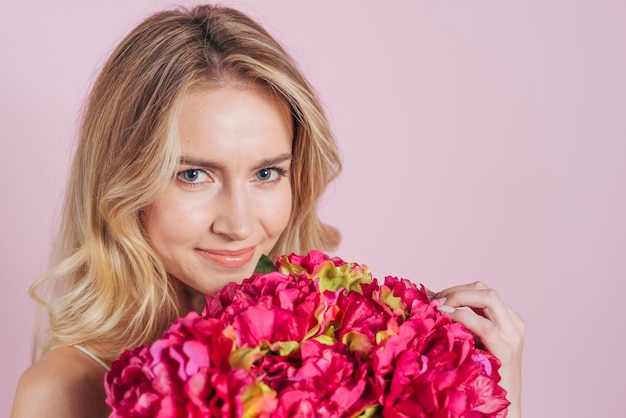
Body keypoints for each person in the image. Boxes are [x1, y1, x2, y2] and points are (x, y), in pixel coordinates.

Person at [11, 4, 524, 417]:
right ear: (125, 182)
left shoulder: (353, 348)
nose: (238, 225)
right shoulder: (65, 391)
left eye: (266, 173)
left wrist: (489, 391)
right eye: (193, 174)